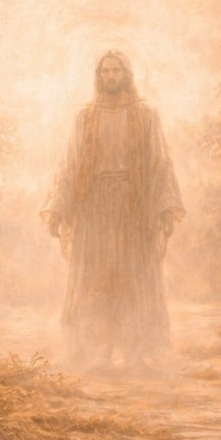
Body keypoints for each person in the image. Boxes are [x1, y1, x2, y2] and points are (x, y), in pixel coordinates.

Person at [43, 50, 184, 373]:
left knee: (133, 278)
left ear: (126, 75)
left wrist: (164, 208)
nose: (110, 76)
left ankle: (135, 354)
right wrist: (58, 208)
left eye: (115, 71)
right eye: (105, 71)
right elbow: (70, 164)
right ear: (98, 76)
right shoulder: (86, 117)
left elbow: (160, 162)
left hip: (133, 208)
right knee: (96, 277)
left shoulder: (145, 116)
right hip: (94, 209)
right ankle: (99, 352)